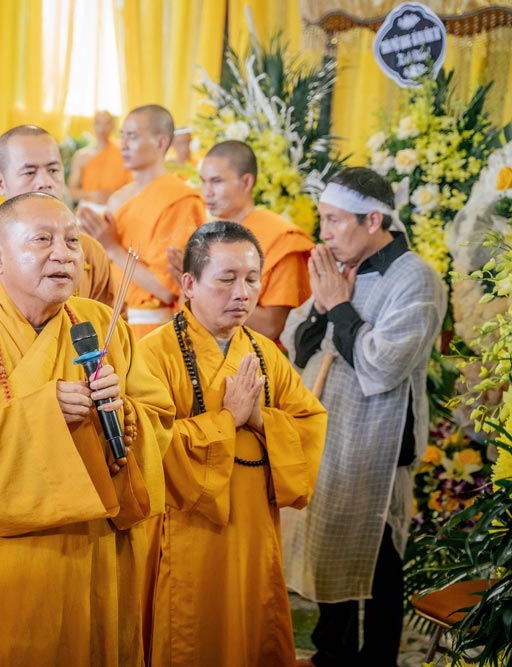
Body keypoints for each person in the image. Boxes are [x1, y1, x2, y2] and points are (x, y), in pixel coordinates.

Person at [0, 192, 170, 666]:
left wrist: (124, 417)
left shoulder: (103, 325)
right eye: (42, 240)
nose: (63, 254)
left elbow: (158, 420)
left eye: (72, 241)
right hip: (4, 564)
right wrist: (44, 414)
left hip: (96, 553)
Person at [139, 221, 327, 666]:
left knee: (253, 632)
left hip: (253, 531)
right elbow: (149, 444)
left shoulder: (265, 354)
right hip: (186, 534)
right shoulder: (153, 355)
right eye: (226, 279)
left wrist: (261, 418)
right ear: (189, 283)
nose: (242, 293)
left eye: (251, 279)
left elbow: (309, 424)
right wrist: (228, 421)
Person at [282, 168, 446, 667]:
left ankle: (376, 660)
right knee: (329, 541)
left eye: (333, 220)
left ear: (372, 219)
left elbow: (381, 365)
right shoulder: (342, 266)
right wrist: (322, 307)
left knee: (379, 565)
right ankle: (333, 654)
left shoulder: (415, 279)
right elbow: (297, 345)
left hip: (380, 446)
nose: (324, 232)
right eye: (323, 220)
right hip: (331, 432)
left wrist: (338, 307)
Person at [0, 125, 115, 320]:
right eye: (30, 172)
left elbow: (112, 335)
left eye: (53, 170)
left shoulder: (90, 253)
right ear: (0, 183)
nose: (44, 182)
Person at [78, 104, 206, 338]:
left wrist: (112, 248)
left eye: (133, 137)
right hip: (112, 324)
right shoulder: (118, 198)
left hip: (156, 331)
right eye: (123, 136)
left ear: (160, 143)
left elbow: (166, 289)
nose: (123, 145)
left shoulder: (179, 200)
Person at [194, 140, 313, 340]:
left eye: (216, 181)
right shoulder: (206, 237)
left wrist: (203, 292)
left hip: (256, 362)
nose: (207, 192)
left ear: (246, 182)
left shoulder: (280, 239)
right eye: (203, 181)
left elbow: (272, 326)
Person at [68, 110, 132, 206]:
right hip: (89, 206)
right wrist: (93, 195)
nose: (102, 128)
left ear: (113, 126)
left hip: (118, 205)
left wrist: (114, 195)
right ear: (92, 126)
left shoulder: (124, 152)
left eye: (107, 123)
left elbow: (134, 186)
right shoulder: (81, 156)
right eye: (98, 123)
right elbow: (72, 192)